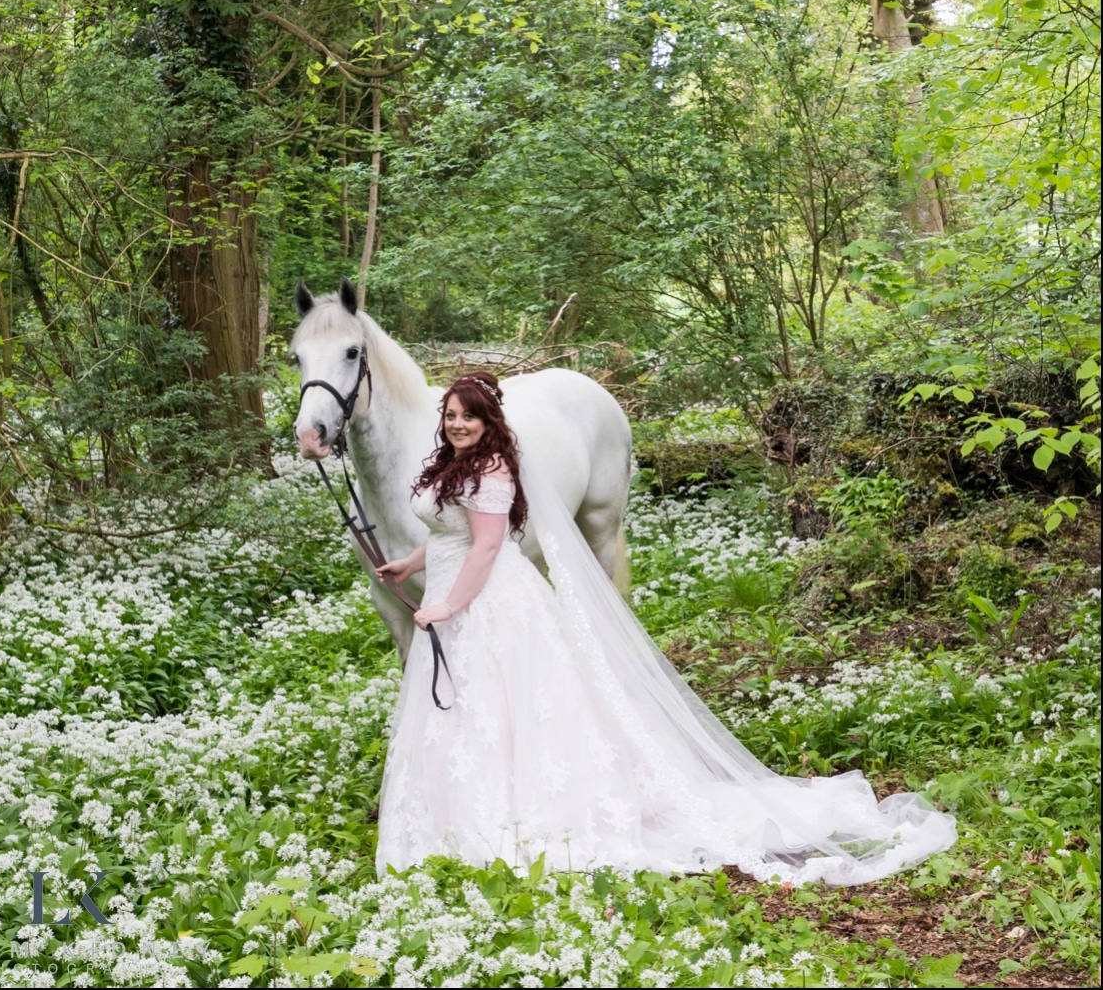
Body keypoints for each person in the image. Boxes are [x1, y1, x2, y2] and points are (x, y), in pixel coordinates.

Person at [375, 372, 955, 884]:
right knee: (471, 709)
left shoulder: (495, 467)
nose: (455, 425)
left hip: (487, 601)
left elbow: (487, 547)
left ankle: (522, 811)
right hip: (456, 595)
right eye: (449, 416)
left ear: (487, 421)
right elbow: (450, 536)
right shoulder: (454, 465)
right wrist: (409, 564)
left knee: (509, 703)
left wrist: (447, 606)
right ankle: (463, 809)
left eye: (466, 416)